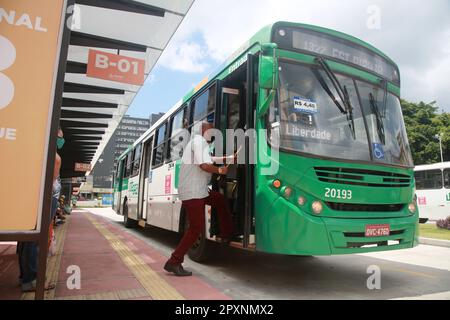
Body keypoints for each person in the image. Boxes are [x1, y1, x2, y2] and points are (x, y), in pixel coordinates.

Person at [164, 121, 235, 276]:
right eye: (211, 130)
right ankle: (174, 261)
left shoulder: (198, 143)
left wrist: (228, 157)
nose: (213, 133)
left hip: (198, 190)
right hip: (193, 192)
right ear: (203, 130)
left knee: (219, 199)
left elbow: (210, 158)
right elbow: (204, 165)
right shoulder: (199, 141)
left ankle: (226, 233)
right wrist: (220, 171)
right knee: (196, 229)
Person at [17, 127, 64, 292]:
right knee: (36, 238)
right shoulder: (52, 155)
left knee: (26, 238)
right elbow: (51, 182)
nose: (61, 140)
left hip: (36, 198)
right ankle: (33, 280)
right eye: (59, 137)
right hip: (45, 198)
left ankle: (26, 277)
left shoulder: (40, 150)